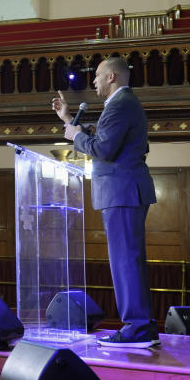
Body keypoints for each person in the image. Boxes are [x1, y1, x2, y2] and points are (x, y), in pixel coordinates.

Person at [52, 56, 158, 347]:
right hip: (124, 190)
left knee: (125, 261)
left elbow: (105, 149)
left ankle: (137, 329)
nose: (94, 80)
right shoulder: (122, 104)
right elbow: (108, 140)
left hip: (122, 191)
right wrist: (68, 121)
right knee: (128, 260)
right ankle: (142, 327)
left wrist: (75, 136)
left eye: (98, 75)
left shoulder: (121, 103)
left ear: (112, 76)